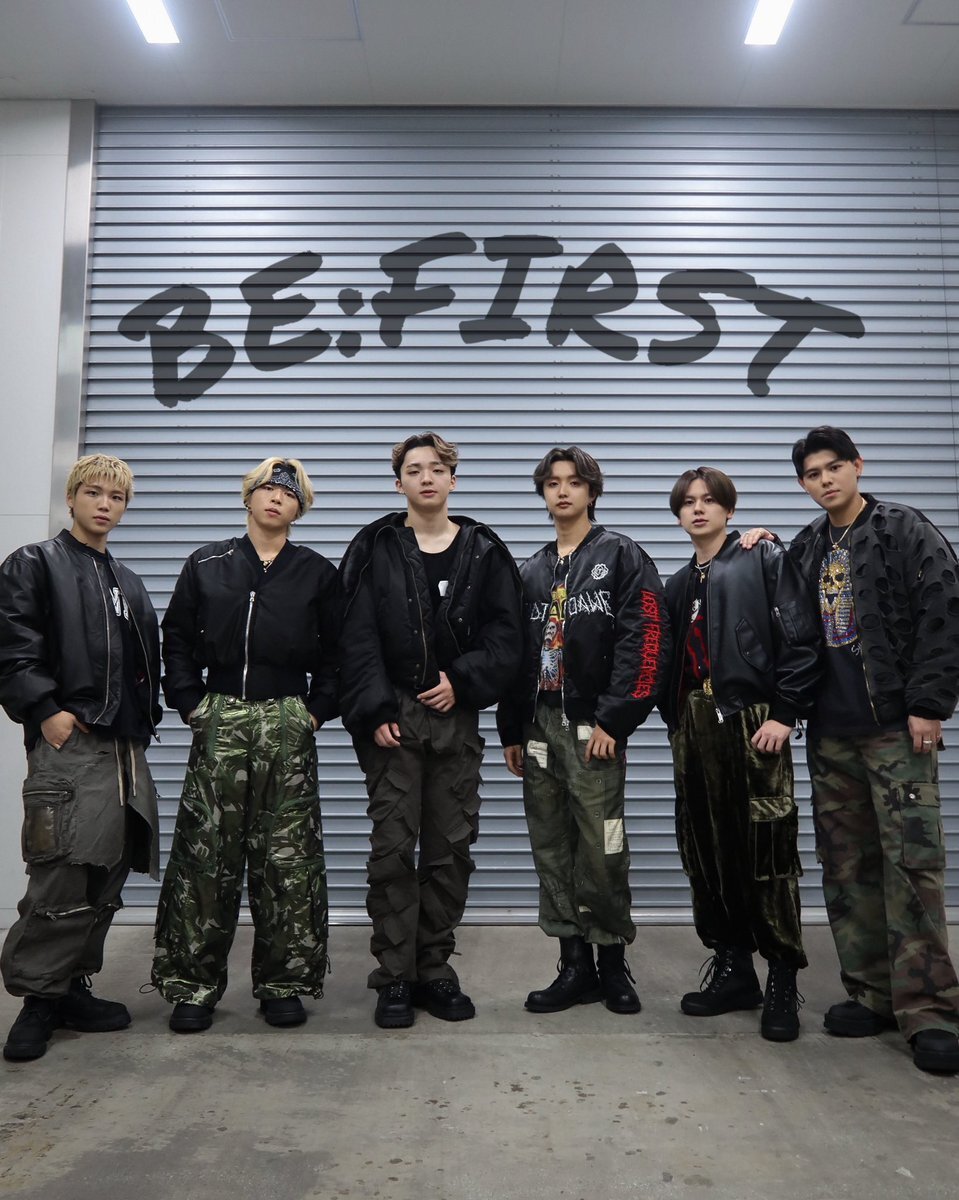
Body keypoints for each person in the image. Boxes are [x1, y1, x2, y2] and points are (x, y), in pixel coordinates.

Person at [785, 426, 959, 1071]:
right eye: (812, 473)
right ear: (803, 484)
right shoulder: (806, 546)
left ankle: (931, 1009)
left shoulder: (902, 529)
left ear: (857, 465)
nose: (825, 480)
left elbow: (944, 611)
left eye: (834, 467)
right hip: (831, 732)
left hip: (894, 727)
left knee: (911, 863)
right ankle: (872, 992)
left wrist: (928, 703)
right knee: (846, 865)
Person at [339, 432, 523, 1029]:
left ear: (452, 479)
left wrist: (462, 681)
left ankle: (435, 969)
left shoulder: (484, 549)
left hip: (455, 717)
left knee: (450, 847)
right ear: (399, 483)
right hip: (393, 716)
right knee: (393, 848)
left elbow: (508, 635)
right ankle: (394, 976)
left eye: (437, 469)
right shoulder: (374, 546)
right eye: (414, 469)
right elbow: (354, 634)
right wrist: (374, 710)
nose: (426, 478)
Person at [152, 457, 340, 1032]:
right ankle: (193, 985)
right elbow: (176, 639)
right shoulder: (207, 564)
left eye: (290, 492)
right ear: (248, 496)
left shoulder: (316, 572)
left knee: (288, 858)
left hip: (286, 717)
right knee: (206, 855)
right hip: (221, 716)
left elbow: (339, 652)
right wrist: (192, 704)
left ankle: (284, 983)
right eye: (267, 488)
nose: (277, 497)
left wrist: (313, 712)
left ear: (300, 507)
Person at [0, 454, 161, 1062]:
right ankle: (38, 999)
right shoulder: (35, 563)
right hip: (72, 744)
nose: (104, 505)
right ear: (71, 498)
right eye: (93, 493)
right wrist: (46, 710)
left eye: (116, 498)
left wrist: (145, 722)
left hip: (123, 749)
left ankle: (71, 986)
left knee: (108, 872)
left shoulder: (128, 580)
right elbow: (13, 644)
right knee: (62, 868)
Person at [498, 447, 670, 1016]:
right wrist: (512, 728)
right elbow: (515, 657)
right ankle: (574, 966)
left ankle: (612, 965)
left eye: (574, 482)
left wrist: (616, 719)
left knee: (602, 846)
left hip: (593, 726)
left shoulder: (620, 554)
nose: (563, 491)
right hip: (540, 726)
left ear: (592, 491)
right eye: (553, 483)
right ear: (543, 494)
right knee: (552, 846)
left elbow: (645, 638)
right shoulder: (531, 570)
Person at [662, 467, 821, 1042]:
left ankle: (782, 977)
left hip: (753, 720)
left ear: (729, 510)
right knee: (706, 846)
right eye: (688, 502)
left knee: (766, 849)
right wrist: (675, 719)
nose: (698, 509)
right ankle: (733, 969)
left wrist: (785, 712)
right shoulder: (678, 583)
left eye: (710, 500)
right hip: (695, 723)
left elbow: (802, 637)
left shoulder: (761, 556)